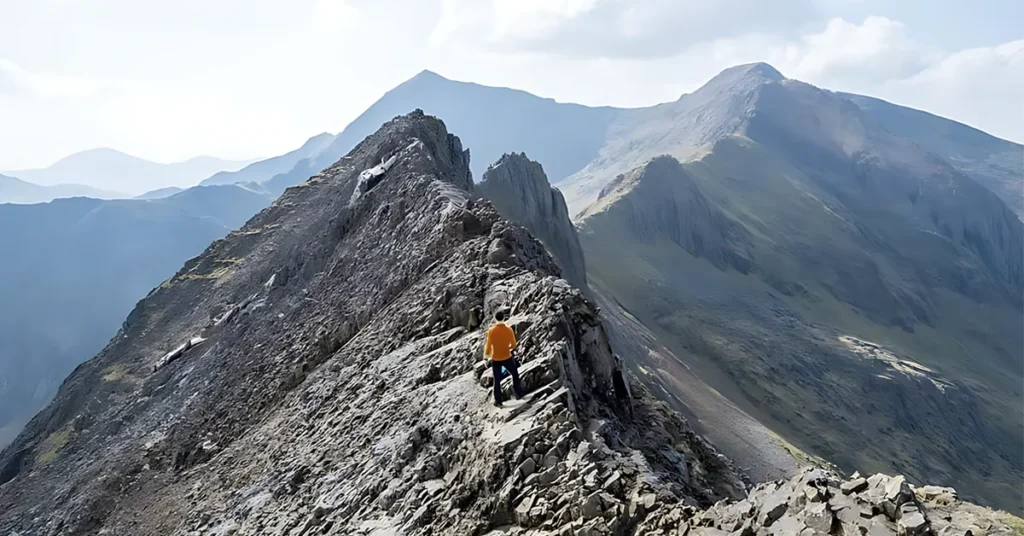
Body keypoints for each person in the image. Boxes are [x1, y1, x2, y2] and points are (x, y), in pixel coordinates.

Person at [484, 309, 524, 407]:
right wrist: (508, 348)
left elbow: (488, 346)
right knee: (515, 374)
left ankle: (498, 401)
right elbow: (514, 345)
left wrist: (486, 358)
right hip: (507, 357)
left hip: (496, 359)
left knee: (496, 380)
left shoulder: (491, 331)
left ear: (495, 319)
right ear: (504, 318)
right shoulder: (508, 329)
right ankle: (518, 393)